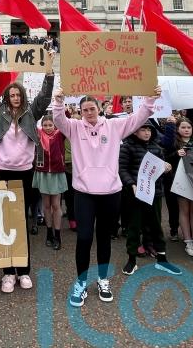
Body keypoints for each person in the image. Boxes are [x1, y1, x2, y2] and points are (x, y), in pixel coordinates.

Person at [52, 86, 160, 308]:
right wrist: (58, 101)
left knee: (103, 238)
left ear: (100, 108)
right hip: (84, 192)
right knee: (83, 238)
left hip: (111, 192)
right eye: (85, 110)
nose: (89, 113)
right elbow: (58, 119)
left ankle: (102, 279)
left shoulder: (114, 126)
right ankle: (81, 282)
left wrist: (149, 100)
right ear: (80, 111)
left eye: (92, 109)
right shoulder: (73, 127)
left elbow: (138, 118)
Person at [0, 60, 54, 293]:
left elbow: (44, 96)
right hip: (1, 173)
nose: (15, 97)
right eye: (11, 94)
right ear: (7, 97)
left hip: (25, 174)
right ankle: (7, 274)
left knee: (20, 224)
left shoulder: (32, 113)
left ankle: (23, 271)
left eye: (18, 94)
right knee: (3, 224)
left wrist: (49, 75)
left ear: (22, 96)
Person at [120, 121, 183, 279]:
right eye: (143, 129)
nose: (147, 132)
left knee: (156, 225)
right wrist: (131, 184)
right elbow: (121, 168)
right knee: (134, 226)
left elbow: (159, 170)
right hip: (135, 194)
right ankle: (131, 260)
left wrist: (165, 168)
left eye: (149, 129)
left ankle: (162, 259)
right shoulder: (127, 147)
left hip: (155, 193)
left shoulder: (156, 147)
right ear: (135, 131)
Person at [161, 116, 193, 257]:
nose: (186, 130)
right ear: (177, 129)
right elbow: (165, 158)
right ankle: (188, 240)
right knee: (184, 210)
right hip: (179, 181)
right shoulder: (173, 143)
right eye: (183, 127)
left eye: (189, 127)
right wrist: (176, 154)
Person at [33, 115, 67, 250]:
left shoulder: (60, 134)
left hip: (56, 173)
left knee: (56, 205)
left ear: (55, 125)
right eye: (45, 125)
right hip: (42, 173)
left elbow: (64, 120)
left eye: (50, 125)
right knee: (46, 205)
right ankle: (48, 233)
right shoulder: (38, 133)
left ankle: (57, 235)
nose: (47, 128)